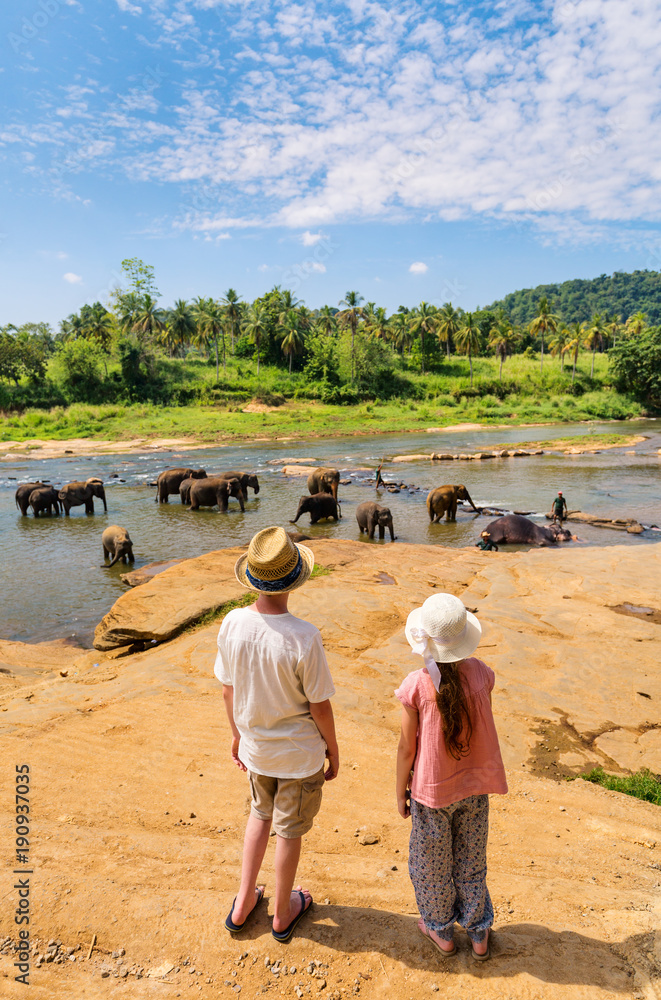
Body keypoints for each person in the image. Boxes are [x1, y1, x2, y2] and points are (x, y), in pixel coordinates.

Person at [215, 526, 339, 943]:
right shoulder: (304, 636)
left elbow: (228, 688)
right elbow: (319, 705)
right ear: (295, 579)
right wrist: (333, 749)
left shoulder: (232, 623)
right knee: (288, 829)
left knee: (259, 815)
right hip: (299, 756)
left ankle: (243, 900)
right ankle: (283, 912)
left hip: (256, 750)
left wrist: (236, 735)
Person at [395, 593, 507, 961]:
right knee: (471, 859)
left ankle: (440, 930)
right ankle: (478, 933)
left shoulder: (416, 685)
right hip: (474, 789)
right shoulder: (483, 673)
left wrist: (400, 790)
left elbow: (406, 749)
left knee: (431, 864)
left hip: (432, 792)